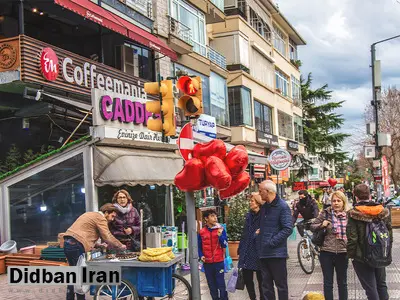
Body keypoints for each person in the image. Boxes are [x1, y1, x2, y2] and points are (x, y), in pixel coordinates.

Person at [63, 203, 126, 300]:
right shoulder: (100, 218)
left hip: (68, 244)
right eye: (112, 216)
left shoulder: (90, 214)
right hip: (76, 246)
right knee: (80, 277)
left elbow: (84, 235)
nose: (112, 219)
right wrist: (120, 245)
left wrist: (98, 245)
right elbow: (107, 236)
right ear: (106, 212)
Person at [347, 184, 392, 300]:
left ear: (355, 197)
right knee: (381, 285)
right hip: (380, 252)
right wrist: (386, 251)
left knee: (370, 288)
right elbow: (389, 233)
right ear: (370, 195)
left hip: (361, 256)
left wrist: (351, 255)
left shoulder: (354, 213)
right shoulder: (383, 211)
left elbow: (352, 238)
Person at [255, 180, 292, 300]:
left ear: (268, 191)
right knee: (266, 286)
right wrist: (259, 236)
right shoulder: (265, 207)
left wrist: (271, 242)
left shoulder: (282, 206)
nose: (259, 194)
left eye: (260, 191)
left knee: (281, 286)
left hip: (276, 254)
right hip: (263, 253)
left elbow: (287, 229)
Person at [311, 191, 349, 300]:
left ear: (343, 202)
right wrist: (321, 225)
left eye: (339, 201)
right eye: (334, 201)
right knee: (328, 282)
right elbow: (312, 226)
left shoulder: (348, 215)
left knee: (342, 282)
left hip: (342, 252)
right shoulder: (325, 213)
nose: (336, 203)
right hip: (326, 252)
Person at [238, 192, 264, 300]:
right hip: (247, 249)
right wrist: (240, 248)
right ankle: (252, 297)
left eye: (252, 201)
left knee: (261, 279)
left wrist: (258, 234)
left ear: (258, 203)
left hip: (258, 251)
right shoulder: (249, 215)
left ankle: (263, 297)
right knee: (247, 278)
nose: (250, 203)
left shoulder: (264, 215)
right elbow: (245, 232)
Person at [198, 209, 228, 300]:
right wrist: (201, 255)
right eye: (212, 216)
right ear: (206, 219)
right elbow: (198, 246)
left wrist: (221, 236)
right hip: (207, 263)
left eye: (215, 216)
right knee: (211, 285)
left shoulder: (221, 229)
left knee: (221, 284)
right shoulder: (202, 232)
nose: (215, 218)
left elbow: (225, 244)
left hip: (219, 262)